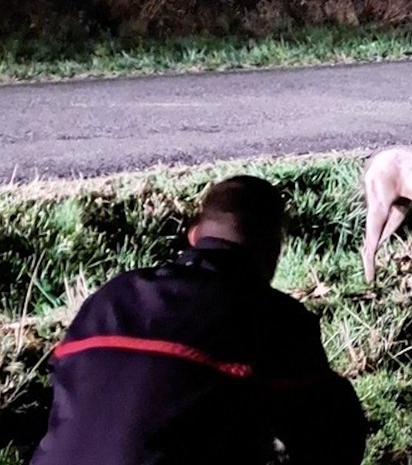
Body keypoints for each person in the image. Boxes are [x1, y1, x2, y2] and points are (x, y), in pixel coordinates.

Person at [31, 175, 367, 465]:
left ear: (194, 235)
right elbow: (331, 436)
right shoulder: (271, 316)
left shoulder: (111, 297)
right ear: (273, 247)